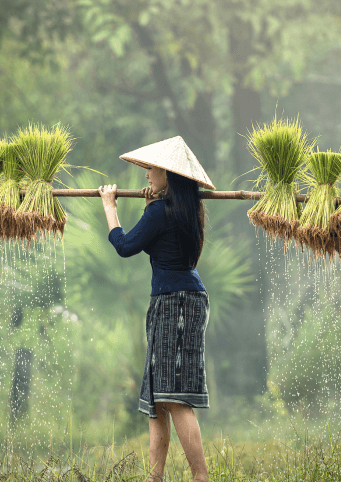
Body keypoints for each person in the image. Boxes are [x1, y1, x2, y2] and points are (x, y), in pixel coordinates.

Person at [98, 136, 215, 482]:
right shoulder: (184, 210)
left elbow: (125, 245)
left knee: (175, 397)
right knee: (157, 396)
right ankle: (155, 477)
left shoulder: (162, 213)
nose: (146, 174)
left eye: (151, 169)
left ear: (168, 173)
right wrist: (153, 205)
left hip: (176, 303)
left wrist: (109, 206)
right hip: (178, 299)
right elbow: (157, 234)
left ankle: (200, 476)